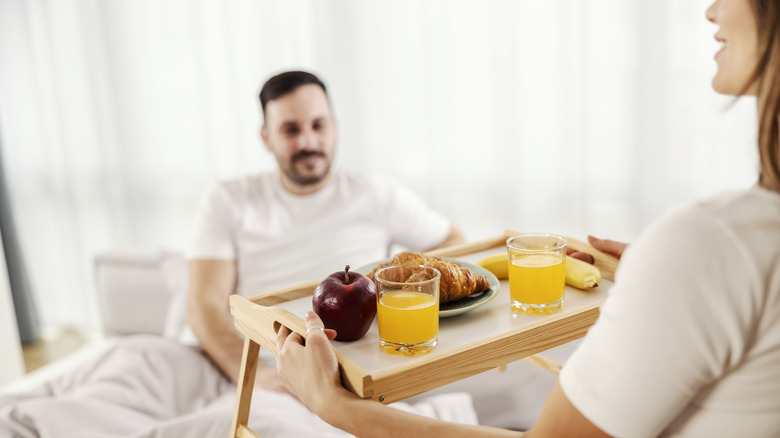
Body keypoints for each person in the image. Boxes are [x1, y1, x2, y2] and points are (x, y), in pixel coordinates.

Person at [275, 1, 780, 436]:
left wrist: (333, 406)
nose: (711, 9)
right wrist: (671, 278)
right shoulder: (726, 245)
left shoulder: (711, 241)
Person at [187, 70, 465, 394]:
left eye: (318, 125)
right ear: (265, 137)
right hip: (258, 366)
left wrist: (409, 296)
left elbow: (454, 242)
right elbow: (204, 307)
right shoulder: (227, 199)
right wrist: (253, 377)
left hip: (349, 371)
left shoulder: (373, 193)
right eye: (290, 130)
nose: (308, 142)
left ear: (334, 127)